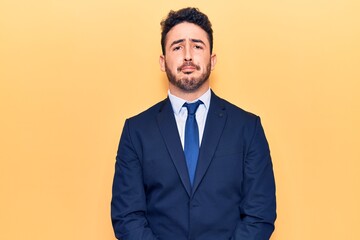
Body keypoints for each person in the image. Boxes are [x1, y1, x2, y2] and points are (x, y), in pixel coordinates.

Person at [111, 7, 276, 240]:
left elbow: (259, 214)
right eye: (177, 47)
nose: (188, 55)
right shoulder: (136, 131)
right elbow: (127, 216)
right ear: (162, 61)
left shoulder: (248, 128)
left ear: (212, 59)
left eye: (197, 46)